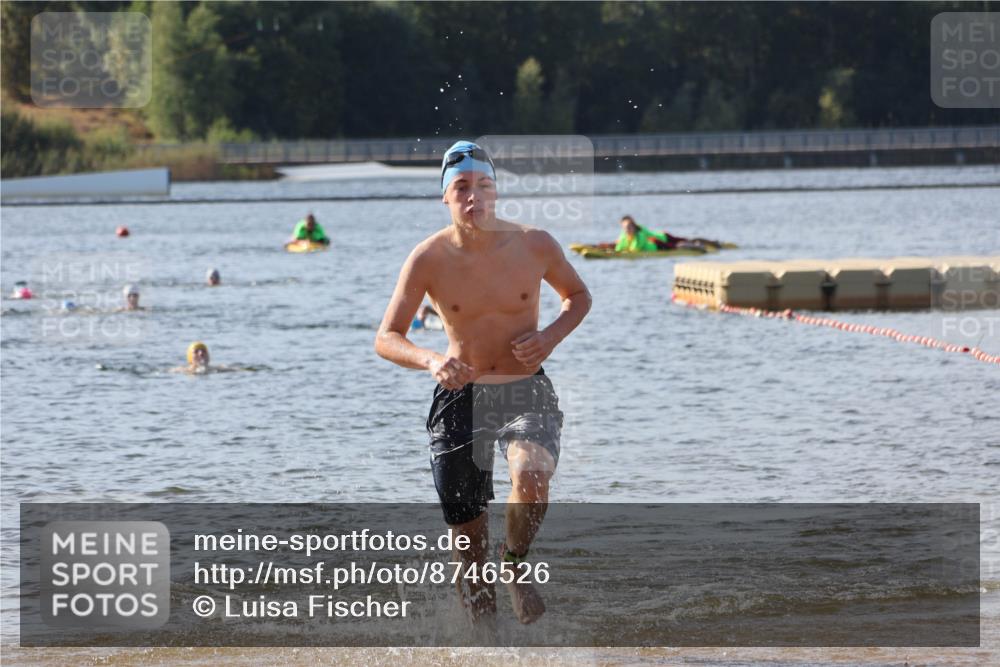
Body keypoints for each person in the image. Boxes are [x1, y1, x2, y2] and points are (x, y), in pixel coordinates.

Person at [375, 140, 591, 625]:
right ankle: (487, 649)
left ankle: (515, 561)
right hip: (459, 396)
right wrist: (431, 361)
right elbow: (386, 337)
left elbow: (577, 296)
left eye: (485, 186)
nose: (475, 197)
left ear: (497, 193)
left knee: (533, 477)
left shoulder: (536, 243)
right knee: (470, 555)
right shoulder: (428, 257)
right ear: (446, 198)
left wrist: (550, 337)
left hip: (524, 386)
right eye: (462, 188)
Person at [614, 215, 723, 252]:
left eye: (628, 227)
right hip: (659, 240)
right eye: (624, 228)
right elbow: (620, 245)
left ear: (633, 226)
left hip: (663, 238)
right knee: (687, 241)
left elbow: (636, 247)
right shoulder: (626, 235)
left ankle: (708, 244)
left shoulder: (640, 232)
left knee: (686, 242)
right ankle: (697, 244)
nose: (626, 230)